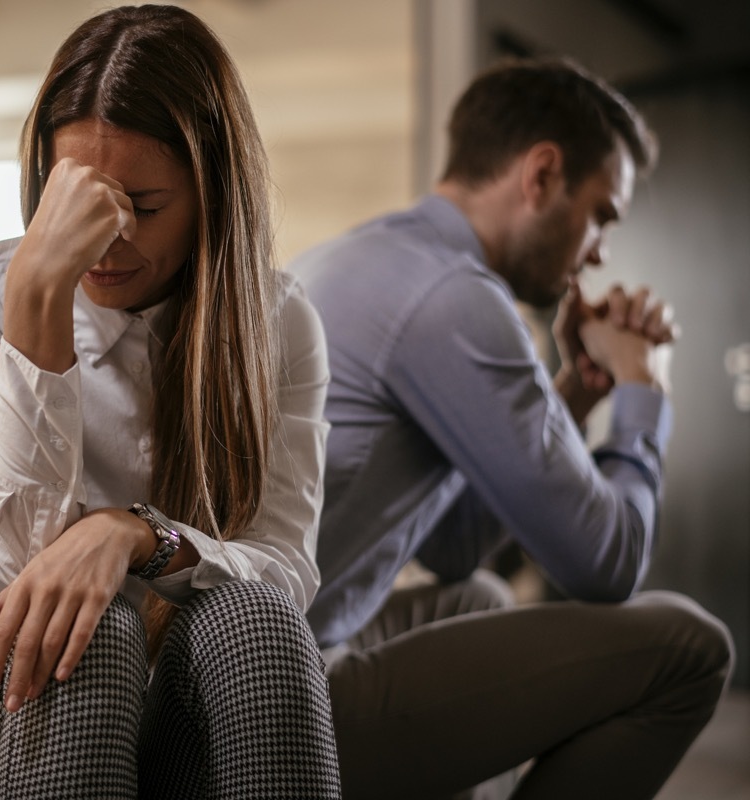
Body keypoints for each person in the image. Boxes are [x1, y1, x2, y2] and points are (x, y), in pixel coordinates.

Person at [0, 6, 340, 799]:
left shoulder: (280, 325)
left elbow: (284, 568)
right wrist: (39, 295)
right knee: (89, 626)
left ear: (211, 196)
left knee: (260, 620)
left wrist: (134, 535)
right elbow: (24, 552)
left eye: (142, 209)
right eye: (79, 199)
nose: (105, 242)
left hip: (155, 706)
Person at [288, 57, 734, 799]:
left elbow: (456, 549)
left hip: (254, 646)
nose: (600, 251)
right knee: (691, 647)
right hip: (273, 700)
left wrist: (570, 395)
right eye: (602, 215)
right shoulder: (455, 299)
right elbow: (607, 565)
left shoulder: (364, 255)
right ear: (541, 175)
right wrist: (641, 387)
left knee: (478, 600)